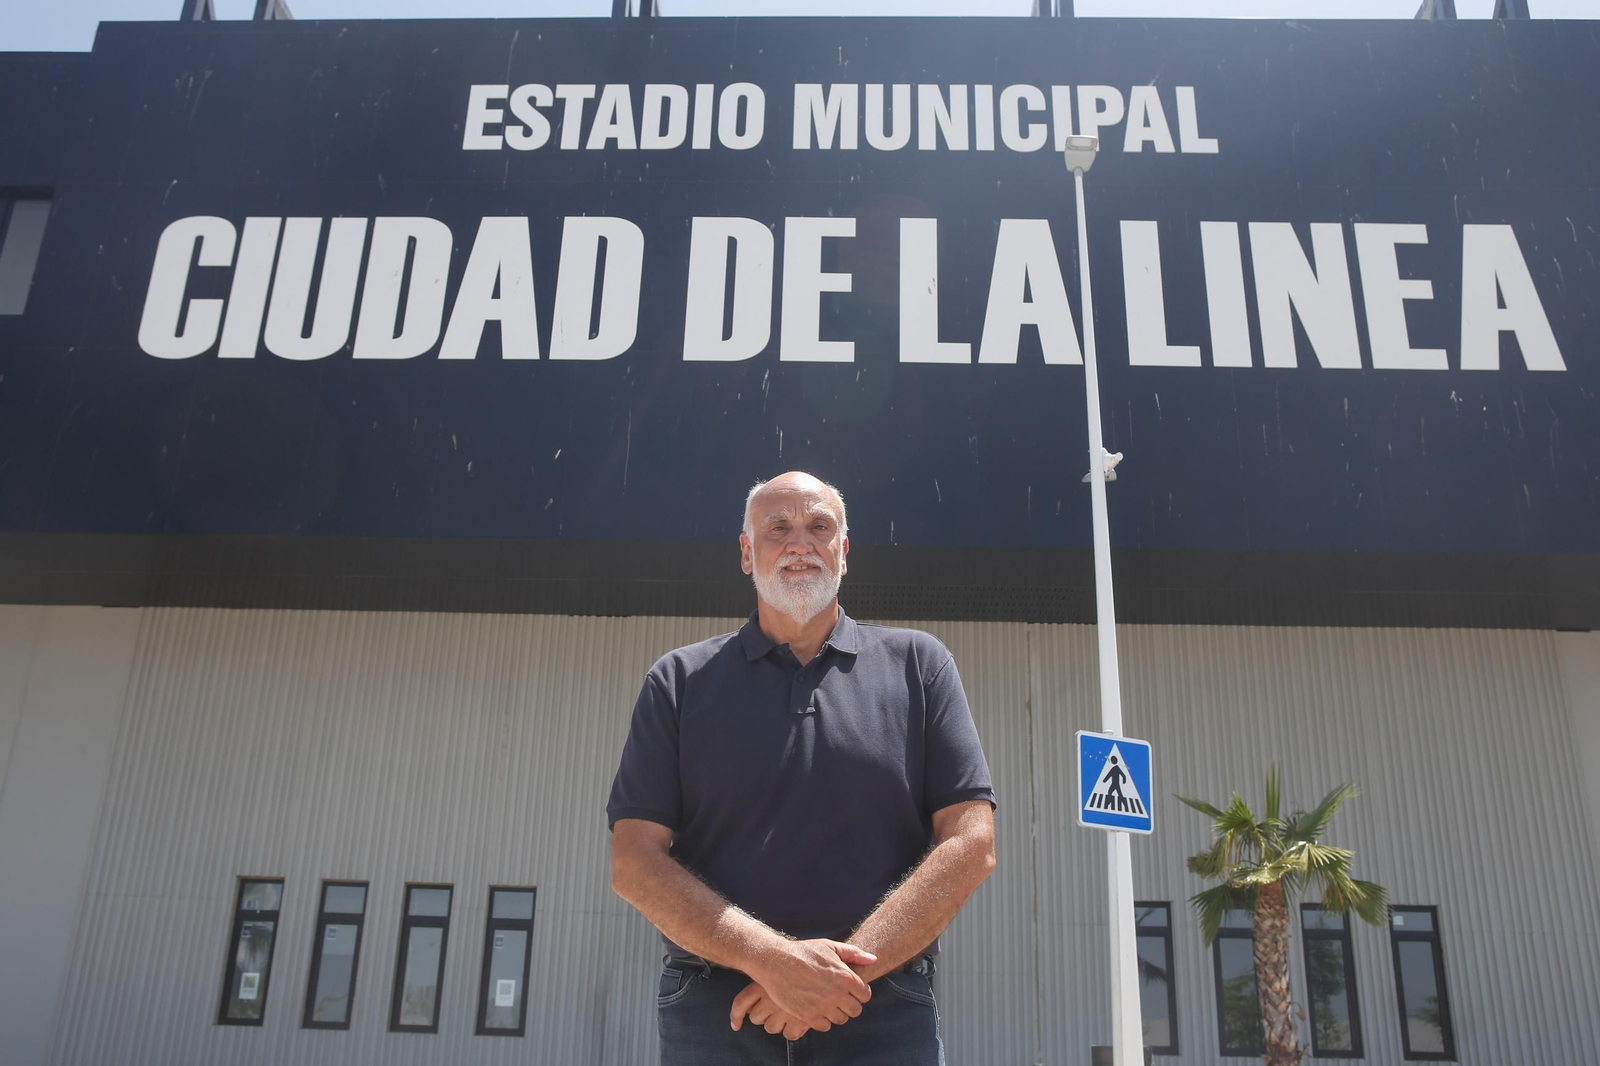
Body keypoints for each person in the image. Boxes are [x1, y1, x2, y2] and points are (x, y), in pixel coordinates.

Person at [607, 470, 997, 1066]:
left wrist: (830, 978)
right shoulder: (678, 682)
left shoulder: (920, 666)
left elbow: (971, 844)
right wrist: (771, 961)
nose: (800, 542)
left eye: (819, 527)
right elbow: (634, 863)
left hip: (879, 1005)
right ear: (745, 553)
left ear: (844, 551)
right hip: (717, 1010)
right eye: (777, 528)